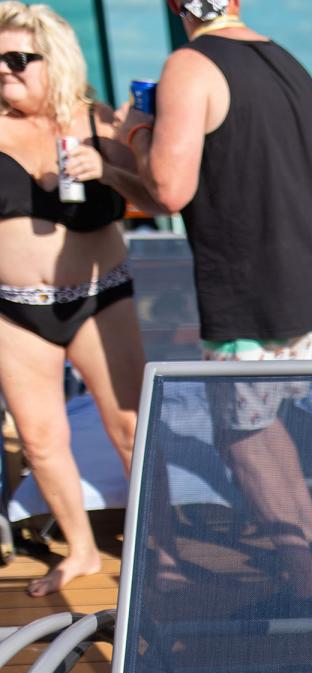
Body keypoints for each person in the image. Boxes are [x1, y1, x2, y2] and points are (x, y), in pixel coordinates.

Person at [118, 0, 312, 607]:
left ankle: (308, 590)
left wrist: (135, 133)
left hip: (245, 290)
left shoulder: (190, 65)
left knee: (237, 435)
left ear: (174, 5)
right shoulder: (287, 61)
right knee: (263, 416)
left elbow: (169, 191)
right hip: (302, 286)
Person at [0, 2, 167, 596]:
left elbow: (159, 198)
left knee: (130, 425)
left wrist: (109, 170)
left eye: (18, 58)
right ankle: (81, 550)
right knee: (40, 440)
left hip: (100, 295)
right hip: (14, 306)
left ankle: (160, 545)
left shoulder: (98, 121)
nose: (4, 69)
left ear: (55, 58)